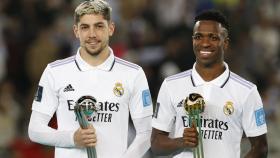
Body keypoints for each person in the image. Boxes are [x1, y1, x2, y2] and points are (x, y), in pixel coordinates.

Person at [28, 1, 153, 158]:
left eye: (99, 26)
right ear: (76, 31)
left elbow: (146, 132)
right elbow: (34, 129)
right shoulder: (55, 71)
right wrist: (72, 138)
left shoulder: (133, 73)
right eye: (85, 27)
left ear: (111, 28)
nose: (92, 34)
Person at [151, 9, 268, 158]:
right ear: (193, 40)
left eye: (213, 37)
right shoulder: (171, 85)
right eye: (199, 37)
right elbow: (156, 144)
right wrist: (181, 142)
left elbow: (261, 147)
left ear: (225, 43)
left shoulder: (247, 91)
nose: (205, 43)